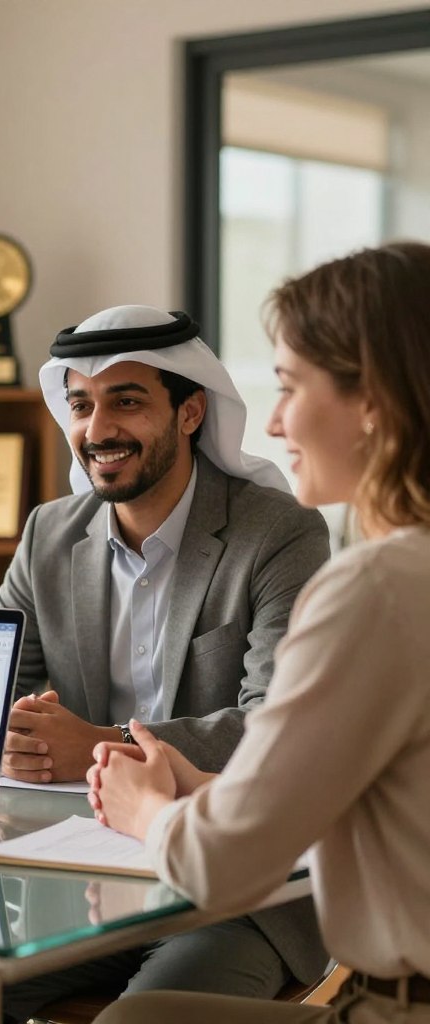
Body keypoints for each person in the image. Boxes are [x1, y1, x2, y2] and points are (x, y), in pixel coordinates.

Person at [0, 305, 331, 1024]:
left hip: (237, 885)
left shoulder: (278, 534)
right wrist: (4, 729)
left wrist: (99, 744)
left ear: (191, 412)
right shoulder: (48, 534)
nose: (98, 430)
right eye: (81, 405)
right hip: (80, 866)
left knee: (145, 1017)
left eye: (126, 402)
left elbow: (274, 728)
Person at [90, 242, 430, 1024]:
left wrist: (146, 809)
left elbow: (219, 868)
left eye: (288, 387)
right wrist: (210, 788)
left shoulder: (372, 587)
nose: (273, 423)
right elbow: (386, 807)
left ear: (373, 399)